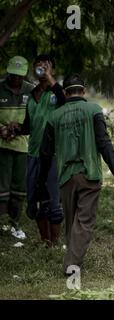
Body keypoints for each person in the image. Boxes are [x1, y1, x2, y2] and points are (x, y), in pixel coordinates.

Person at [38, 74, 114, 274]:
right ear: (84, 90)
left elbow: (45, 153)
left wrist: (41, 182)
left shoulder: (54, 116)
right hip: (89, 174)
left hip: (66, 177)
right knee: (84, 222)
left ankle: (73, 261)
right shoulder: (94, 110)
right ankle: (72, 264)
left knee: (72, 223)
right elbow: (104, 143)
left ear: (65, 92)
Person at [14, 54, 65, 246]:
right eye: (38, 65)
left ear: (52, 70)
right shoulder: (32, 95)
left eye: (46, 65)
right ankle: (46, 243)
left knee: (53, 202)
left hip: (52, 156)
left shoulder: (57, 92)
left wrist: (51, 79)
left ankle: (55, 242)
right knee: (36, 200)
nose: (41, 68)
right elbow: (28, 126)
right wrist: (15, 128)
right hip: (33, 155)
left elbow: (66, 102)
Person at [0, 56, 34, 238]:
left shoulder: (31, 90)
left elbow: (35, 118)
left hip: (22, 146)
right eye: (13, 75)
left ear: (25, 75)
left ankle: (15, 224)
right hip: (1, 145)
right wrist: (2, 129)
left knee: (19, 188)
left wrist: (18, 128)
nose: (16, 79)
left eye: (20, 76)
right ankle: (1, 223)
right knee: (1, 186)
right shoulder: (0, 88)